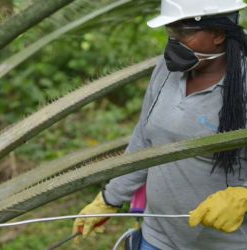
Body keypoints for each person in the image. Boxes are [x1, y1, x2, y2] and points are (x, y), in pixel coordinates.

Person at [73, 1, 247, 249]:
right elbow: (144, 139)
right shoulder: (167, 70)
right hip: (156, 237)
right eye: (171, 32)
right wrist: (110, 198)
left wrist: (244, 195)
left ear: (219, 34)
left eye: (183, 32)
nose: (174, 42)